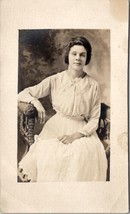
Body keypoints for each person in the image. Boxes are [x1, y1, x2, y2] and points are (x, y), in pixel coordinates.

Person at [18, 36, 107, 182]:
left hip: (81, 130)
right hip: (56, 125)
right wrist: (35, 101)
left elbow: (94, 119)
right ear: (68, 56)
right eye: (74, 54)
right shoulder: (55, 80)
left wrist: (75, 136)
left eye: (82, 55)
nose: (78, 58)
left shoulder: (93, 85)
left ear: (87, 58)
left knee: (80, 156)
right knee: (50, 155)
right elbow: (22, 94)